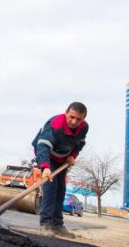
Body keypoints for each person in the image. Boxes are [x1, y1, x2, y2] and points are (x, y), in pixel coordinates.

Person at [32, 102, 89, 238]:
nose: (74, 121)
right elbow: (43, 145)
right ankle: (45, 225)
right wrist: (45, 167)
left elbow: (79, 144)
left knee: (61, 190)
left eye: (78, 119)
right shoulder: (55, 124)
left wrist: (72, 156)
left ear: (83, 119)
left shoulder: (84, 127)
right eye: (71, 117)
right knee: (51, 188)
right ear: (66, 112)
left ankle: (57, 225)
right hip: (47, 155)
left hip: (62, 159)